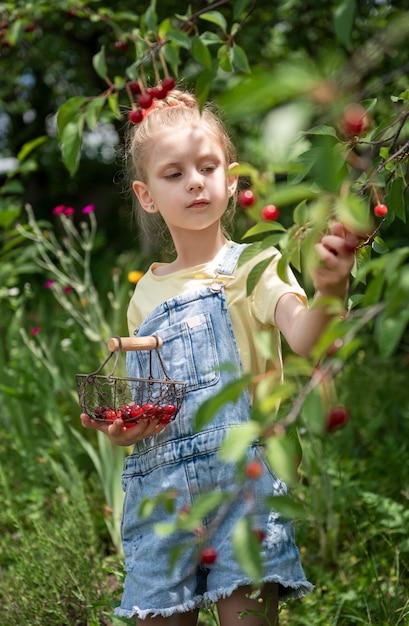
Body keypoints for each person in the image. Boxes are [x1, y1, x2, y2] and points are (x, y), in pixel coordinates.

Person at [81, 88, 356, 625]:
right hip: (162, 495)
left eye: (207, 166)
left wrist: (330, 290)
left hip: (245, 485)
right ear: (147, 195)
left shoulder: (256, 263)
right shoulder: (145, 295)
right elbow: (151, 402)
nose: (194, 182)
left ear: (231, 180)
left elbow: (305, 338)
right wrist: (126, 429)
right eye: (174, 173)